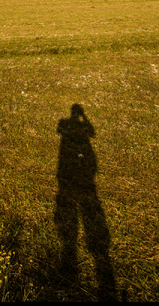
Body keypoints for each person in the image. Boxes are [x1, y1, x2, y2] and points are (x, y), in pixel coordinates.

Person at [55, 104, 117, 299]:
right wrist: (85, 118)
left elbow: (88, 132)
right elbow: (91, 132)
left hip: (67, 177)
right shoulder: (75, 127)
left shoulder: (65, 126)